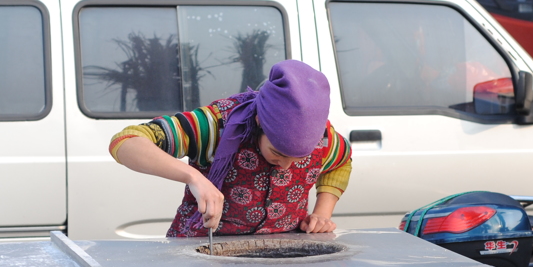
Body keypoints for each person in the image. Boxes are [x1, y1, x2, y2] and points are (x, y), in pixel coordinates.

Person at [109, 59, 352, 237]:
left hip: (283, 254)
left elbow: (342, 162)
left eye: (299, 157)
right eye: (278, 152)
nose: (287, 166)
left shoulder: (324, 138)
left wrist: (322, 212)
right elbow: (126, 141)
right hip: (201, 253)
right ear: (259, 122)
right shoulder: (215, 125)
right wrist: (194, 177)